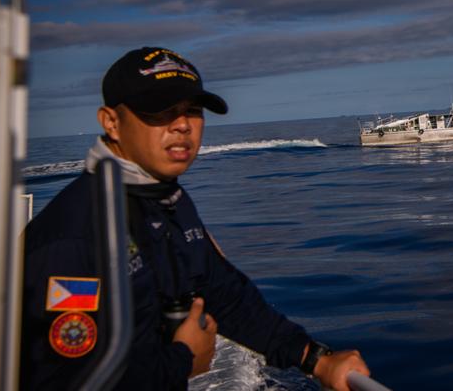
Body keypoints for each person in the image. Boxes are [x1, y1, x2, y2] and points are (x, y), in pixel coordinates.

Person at [20, 47, 369, 390]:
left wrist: (315, 359)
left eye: (193, 110)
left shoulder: (168, 201)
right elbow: (62, 379)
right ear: (111, 122)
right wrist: (184, 358)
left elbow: (225, 295)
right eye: (160, 111)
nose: (183, 125)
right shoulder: (73, 236)